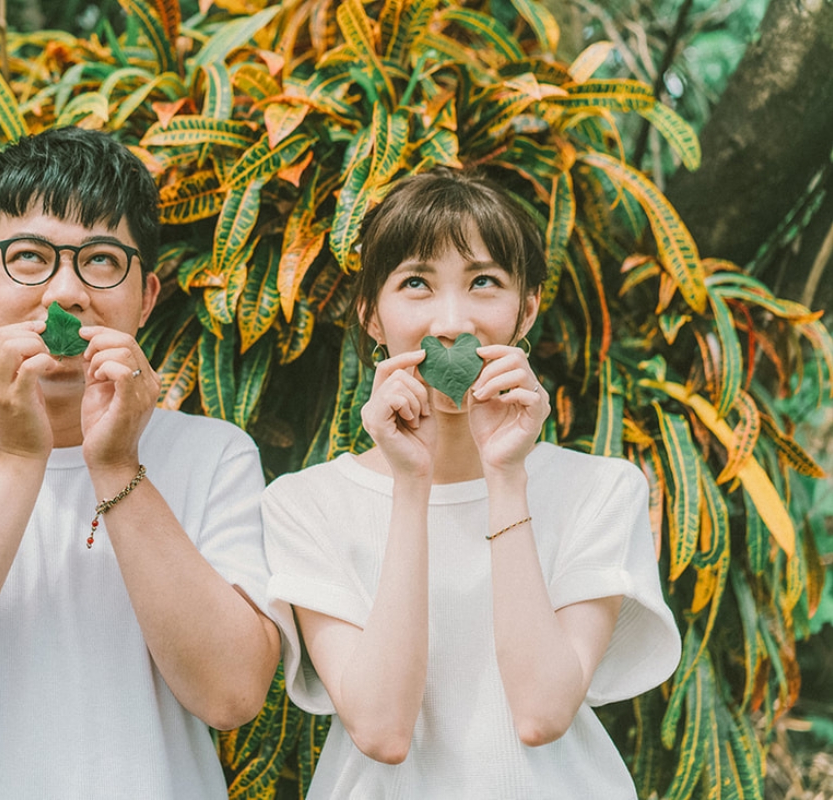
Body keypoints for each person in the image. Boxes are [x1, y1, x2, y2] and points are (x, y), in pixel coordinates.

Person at [0, 126, 280, 798]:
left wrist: (118, 464)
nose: (66, 292)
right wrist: (13, 457)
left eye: (100, 260)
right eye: (29, 257)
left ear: (146, 297)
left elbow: (232, 695)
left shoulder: (214, 455)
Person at [262, 169, 681, 798]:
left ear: (527, 309)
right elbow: (381, 730)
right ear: (371, 315)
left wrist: (506, 473)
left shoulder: (603, 491)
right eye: (416, 284)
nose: (452, 321)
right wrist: (411, 483)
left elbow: (542, 714)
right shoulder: (304, 506)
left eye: (484, 281)